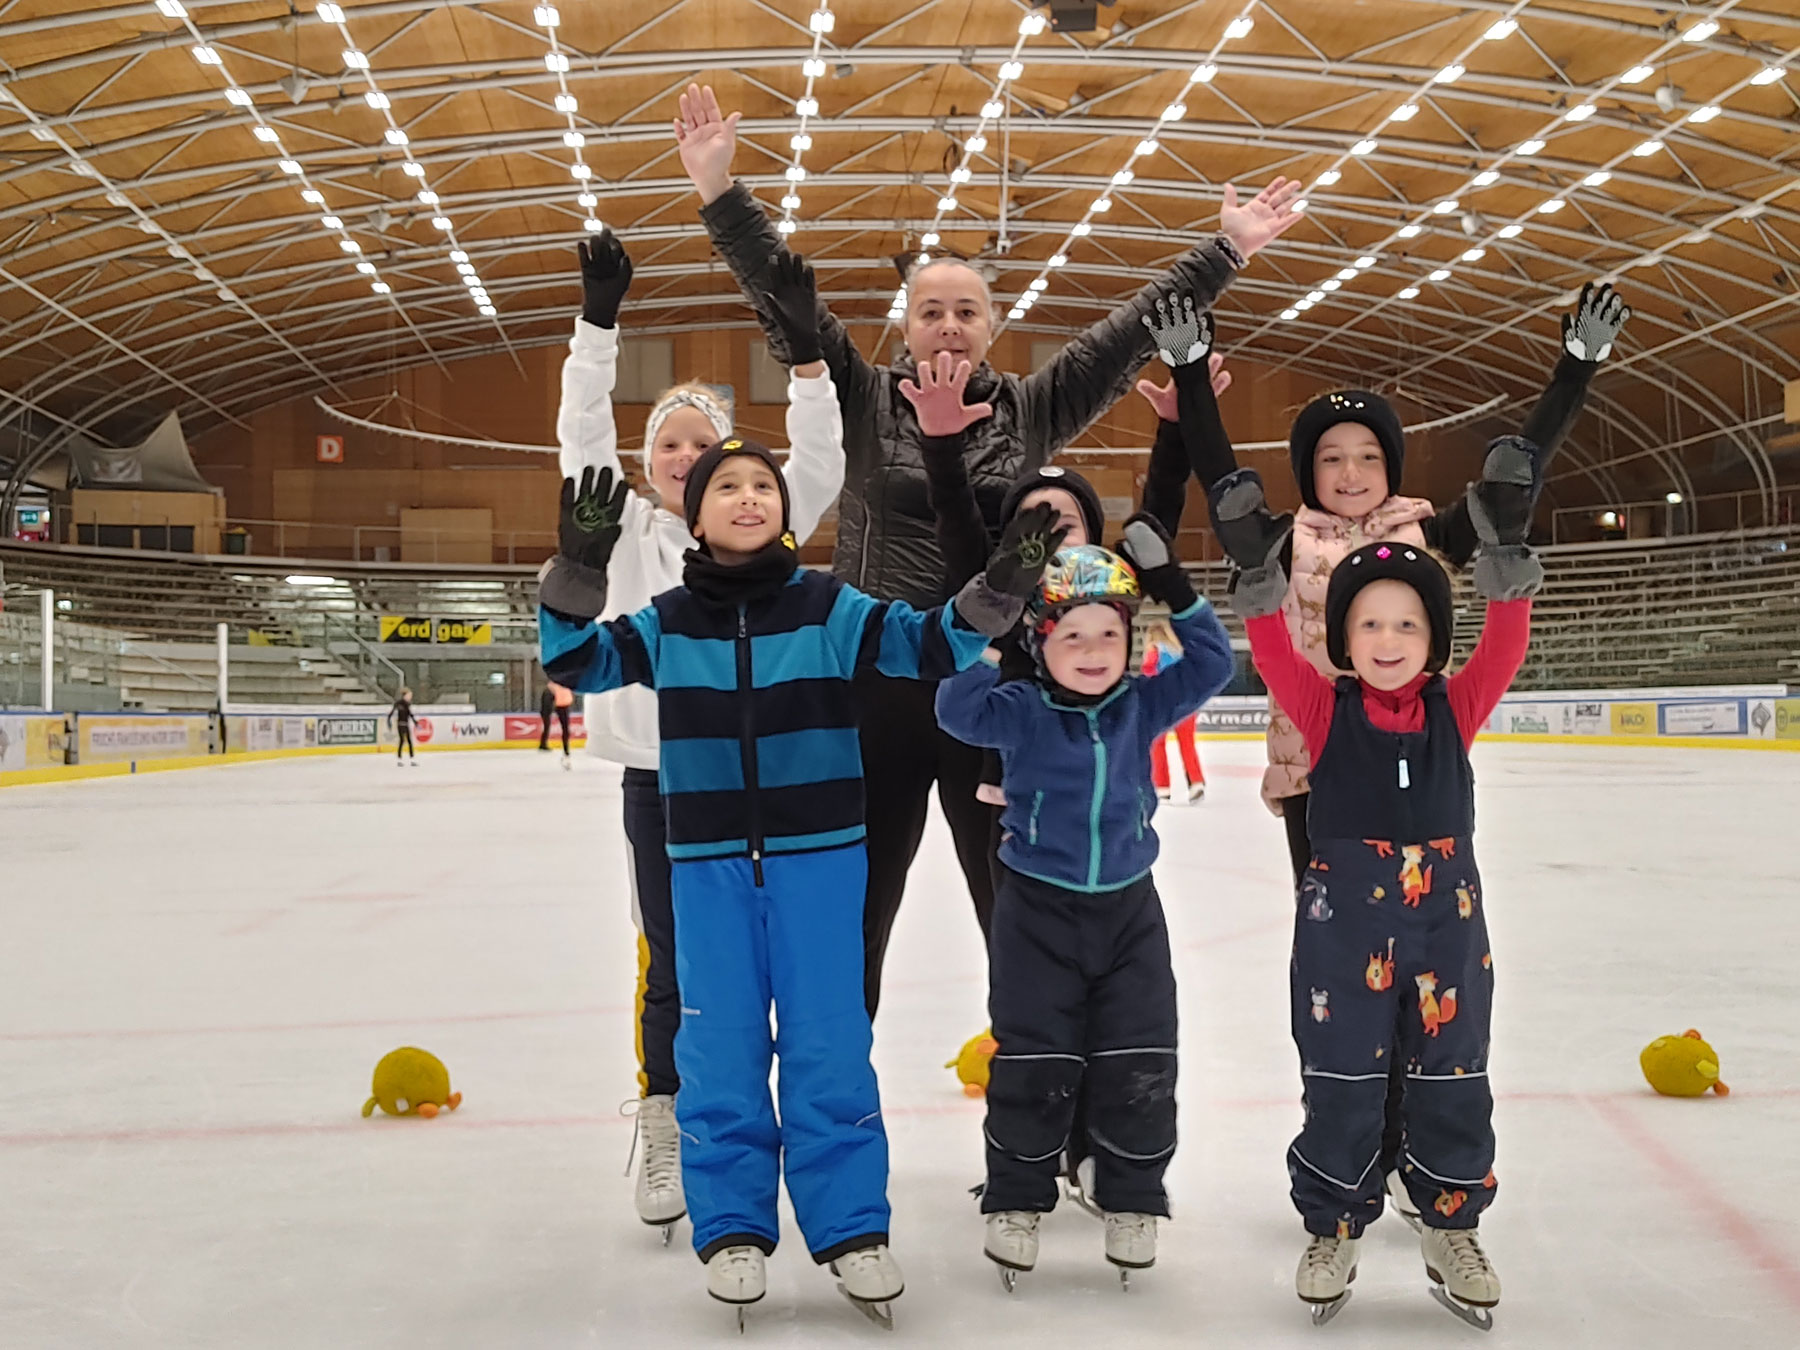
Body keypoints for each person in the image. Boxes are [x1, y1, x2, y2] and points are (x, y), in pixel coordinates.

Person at [673, 81, 1304, 1018]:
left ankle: (1038, 1088)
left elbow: (1129, 331)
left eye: (967, 311)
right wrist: (720, 190)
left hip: (998, 685)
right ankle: (835, 1080)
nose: (949, 325)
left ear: (992, 326)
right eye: (931, 311)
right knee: (858, 906)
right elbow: (786, 305)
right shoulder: (863, 397)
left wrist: (1227, 250)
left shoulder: (1032, 407)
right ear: (905, 324)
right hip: (877, 683)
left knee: (1011, 903)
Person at [537, 440, 1059, 1323]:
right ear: (695, 518)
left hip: (820, 858)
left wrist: (999, 587)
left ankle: (851, 1228)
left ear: (783, 510)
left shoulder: (828, 607)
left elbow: (930, 643)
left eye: (763, 485)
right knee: (719, 1043)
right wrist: (578, 575)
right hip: (706, 865)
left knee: (829, 1041)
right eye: (726, 487)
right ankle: (733, 1226)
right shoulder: (668, 621)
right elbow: (577, 664)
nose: (748, 497)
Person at [1147, 281, 1628, 1221]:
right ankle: (1350, 1141)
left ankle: (1415, 1148)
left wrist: (1574, 369)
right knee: (1345, 975)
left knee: (1428, 980)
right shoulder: (1288, 539)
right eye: (1331, 457)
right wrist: (1191, 374)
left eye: (1369, 455)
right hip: (1318, 779)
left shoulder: (1425, 528)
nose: (1352, 470)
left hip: (1418, 779)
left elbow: (1514, 486)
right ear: (1309, 470)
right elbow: (1221, 479)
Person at [1210, 437, 1541, 1329]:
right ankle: (1333, 1225)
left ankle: (1450, 1223)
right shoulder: (1324, 710)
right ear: (1343, 639)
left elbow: (1506, 643)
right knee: (1342, 1078)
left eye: (1407, 626)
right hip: (1343, 932)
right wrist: (1260, 577)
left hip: (1446, 931)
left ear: (1434, 640)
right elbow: (1273, 651)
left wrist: (1507, 555)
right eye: (1368, 625)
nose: (1387, 642)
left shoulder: (1454, 708)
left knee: (1452, 1076)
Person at [553, 228, 846, 1236]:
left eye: (700, 442)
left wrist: (807, 361)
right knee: (675, 962)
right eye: (666, 444)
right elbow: (580, 439)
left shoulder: (762, 522)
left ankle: (796, 1131)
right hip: (664, 781)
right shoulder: (626, 532)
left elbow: (821, 459)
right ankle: (670, 1116)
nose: (683, 455)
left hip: (776, 779)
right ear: (649, 465)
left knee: (785, 964)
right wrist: (597, 326)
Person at [936, 516, 1233, 1285]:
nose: (1094, 651)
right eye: (1073, 636)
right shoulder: (1021, 709)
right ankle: (1017, 1197)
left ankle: (1132, 1196)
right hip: (1037, 914)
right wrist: (995, 617)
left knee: (1141, 1054)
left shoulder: (1142, 705)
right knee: (1033, 1057)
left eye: (1109, 634)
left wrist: (1172, 587)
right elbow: (956, 711)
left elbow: (1213, 661)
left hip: (1130, 914)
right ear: (1042, 645)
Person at [1142, 621, 1205, 802]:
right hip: (1187, 703)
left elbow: (1149, 674)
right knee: (1187, 745)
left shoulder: (1154, 652)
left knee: (1158, 745)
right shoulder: (1180, 652)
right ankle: (1196, 782)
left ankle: (1162, 786)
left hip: (1163, 704)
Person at [537, 679, 574, 764]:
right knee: (564, 728)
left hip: (561, 704)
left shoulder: (553, 685)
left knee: (554, 727)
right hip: (562, 704)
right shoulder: (560, 685)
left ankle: (544, 744)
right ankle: (565, 749)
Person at [386, 687, 417, 766]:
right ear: (405, 695)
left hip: (406, 724)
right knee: (402, 741)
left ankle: (412, 759)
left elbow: (410, 714)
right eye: (409, 695)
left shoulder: (408, 704)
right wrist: (389, 722)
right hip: (400, 724)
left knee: (409, 741)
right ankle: (399, 760)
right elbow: (390, 714)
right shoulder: (398, 703)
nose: (410, 697)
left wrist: (415, 722)